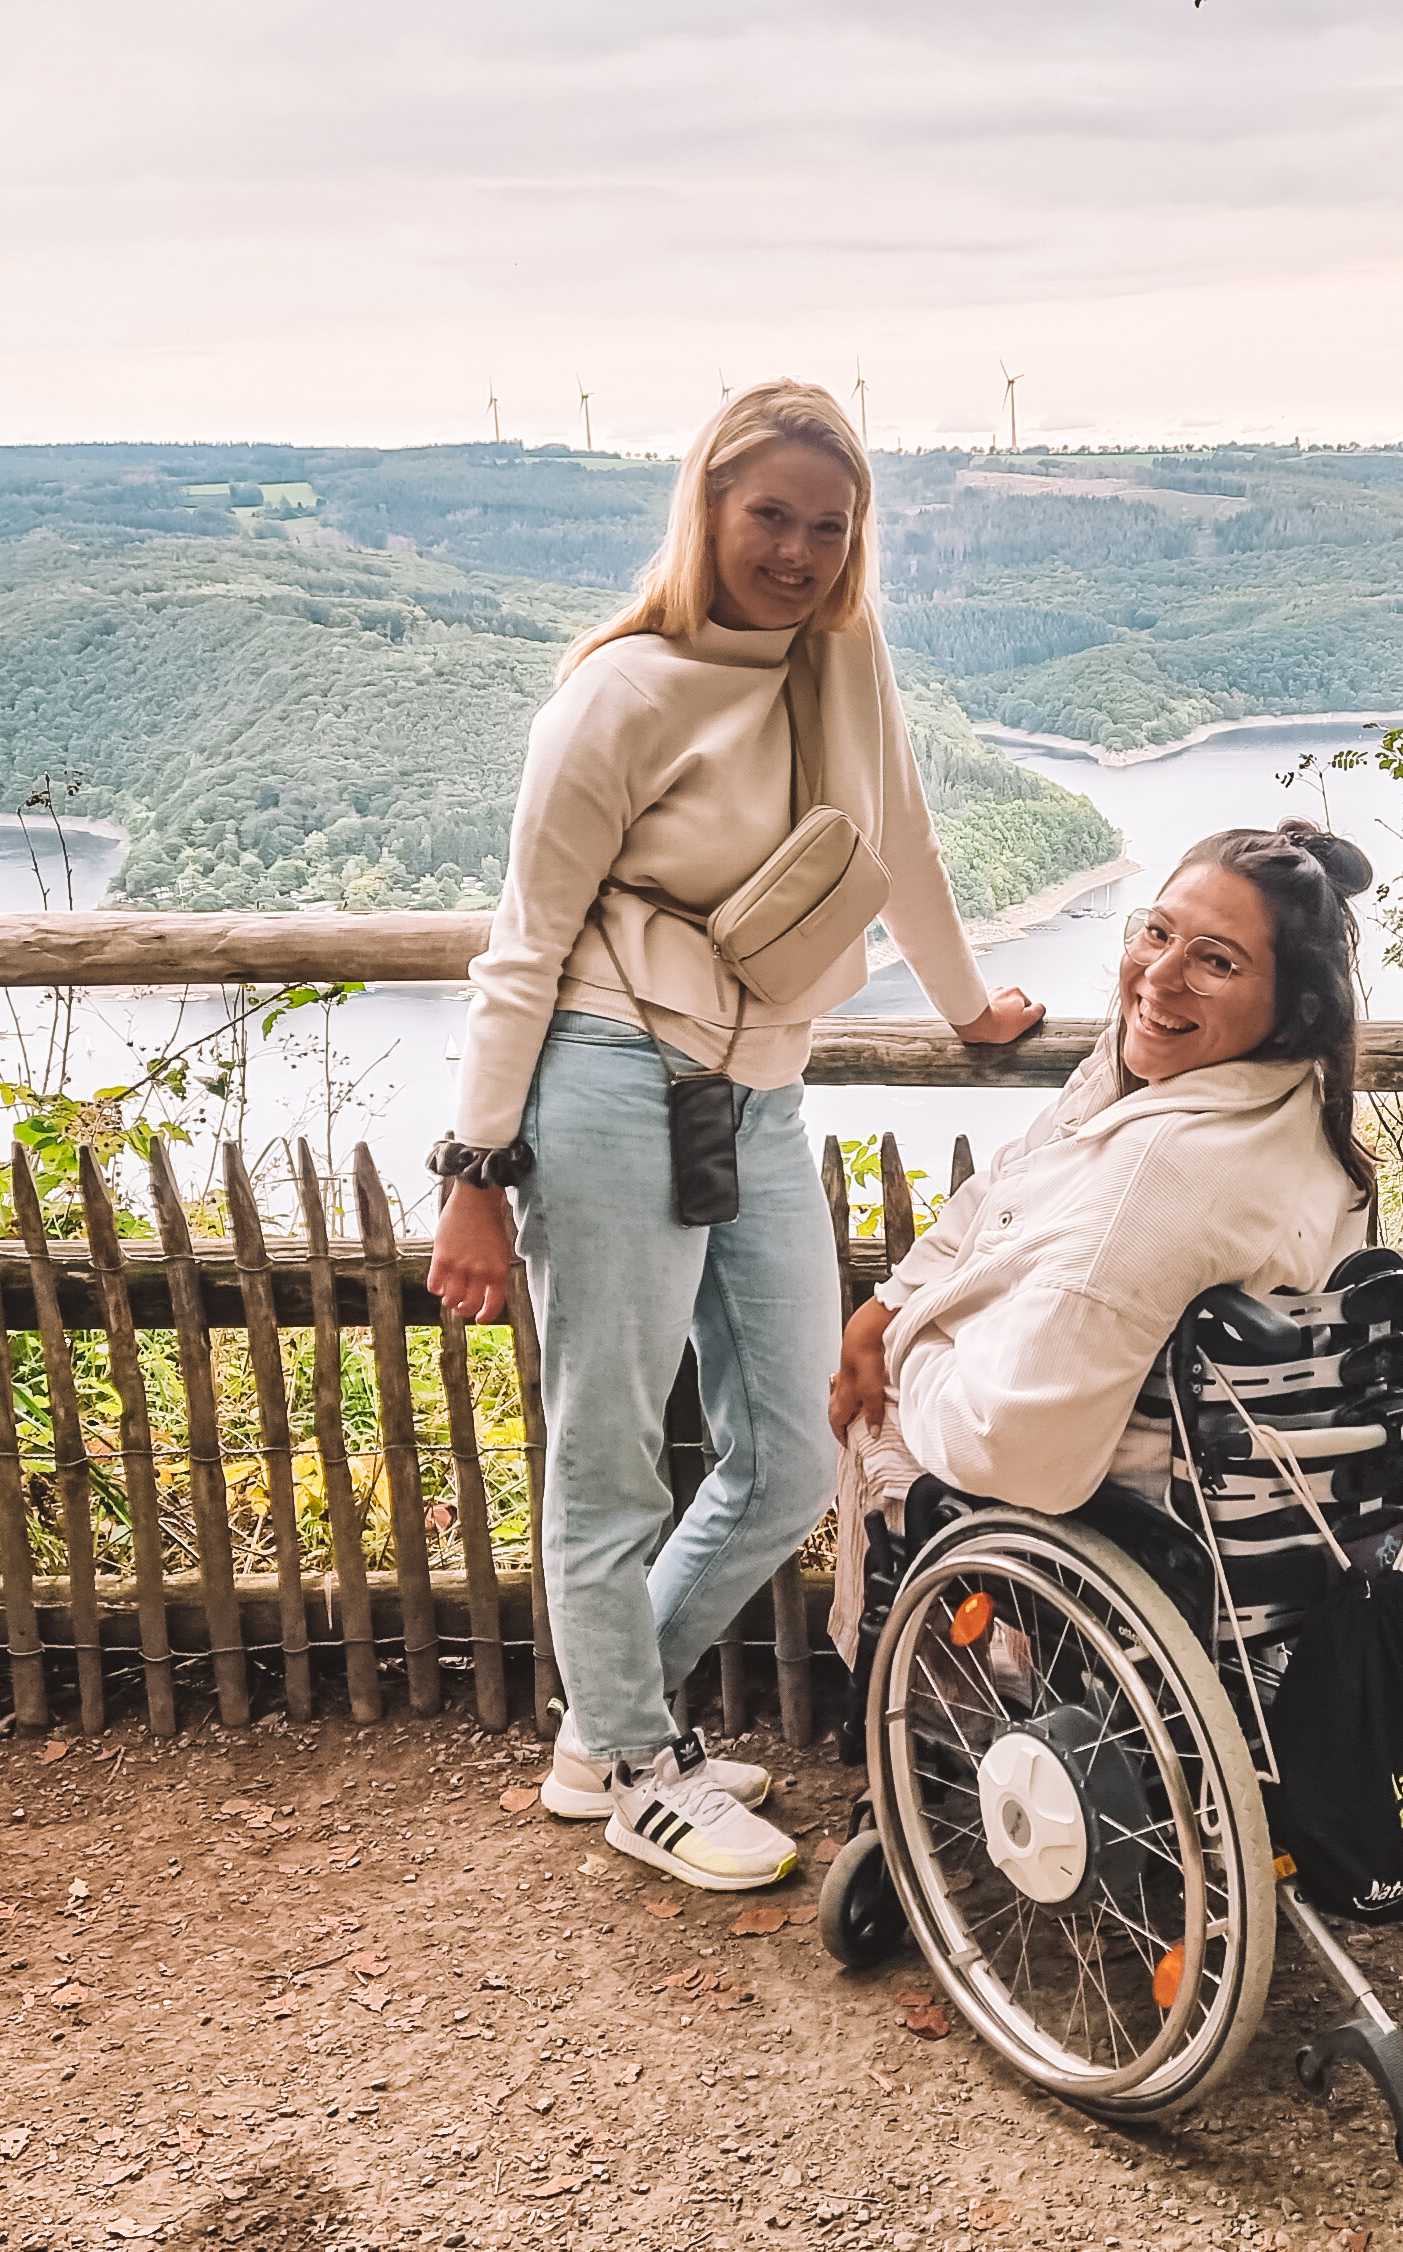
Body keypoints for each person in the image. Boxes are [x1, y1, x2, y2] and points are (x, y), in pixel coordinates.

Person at [424, 379, 1042, 1892]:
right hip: (609, 1071)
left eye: (828, 528)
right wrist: (474, 1177)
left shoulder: (842, 666)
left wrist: (965, 1008)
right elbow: (521, 948)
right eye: (767, 516)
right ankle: (636, 1761)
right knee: (611, 1450)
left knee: (788, 1449)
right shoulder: (617, 695)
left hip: (760, 1087)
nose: (797, 553)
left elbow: (894, 840)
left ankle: (602, 1727)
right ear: (704, 510)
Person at [826, 820, 1380, 1564]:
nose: (1157, 978)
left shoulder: (1161, 1172)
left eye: (1214, 962)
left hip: (1103, 1537)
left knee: (860, 1421)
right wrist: (888, 1301)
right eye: (1155, 933)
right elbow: (1009, 1178)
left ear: (1293, 1004)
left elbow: (1010, 1455)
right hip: (1247, 1511)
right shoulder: (1285, 1097)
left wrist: (911, 1344)